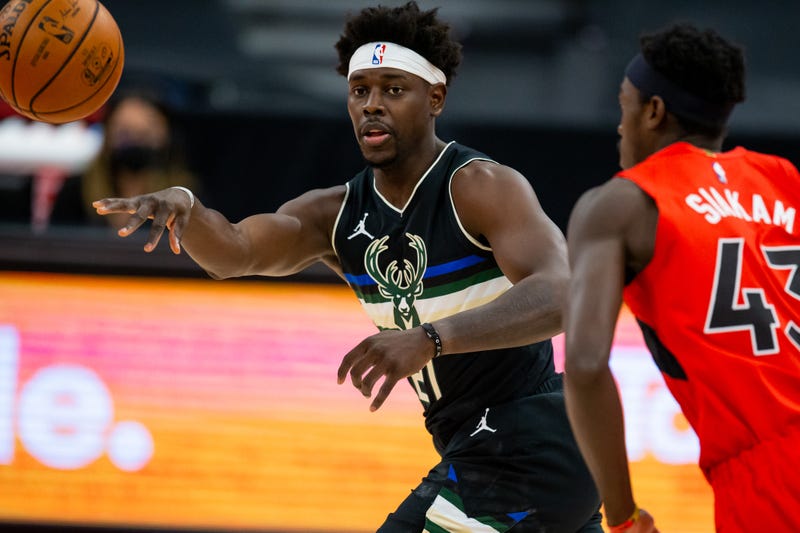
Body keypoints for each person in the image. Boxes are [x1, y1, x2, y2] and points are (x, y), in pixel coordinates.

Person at [93, 2, 601, 531]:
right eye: (360, 91)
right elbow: (235, 251)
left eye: (392, 90)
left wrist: (430, 338)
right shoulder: (335, 214)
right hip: (491, 447)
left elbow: (563, 293)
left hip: (529, 440)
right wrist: (189, 210)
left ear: (435, 98)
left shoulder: (478, 186)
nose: (372, 106)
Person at [563, 22, 800, 533]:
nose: (620, 125)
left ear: (653, 111)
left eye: (624, 104)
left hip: (772, 478)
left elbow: (583, 365)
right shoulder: (784, 179)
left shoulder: (621, 204)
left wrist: (622, 516)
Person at [50, 87, 197, 228]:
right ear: (108, 136)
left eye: (145, 134)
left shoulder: (186, 197)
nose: (135, 142)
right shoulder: (76, 192)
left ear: (165, 137)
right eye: (125, 133)